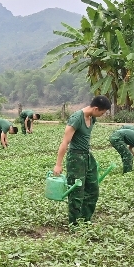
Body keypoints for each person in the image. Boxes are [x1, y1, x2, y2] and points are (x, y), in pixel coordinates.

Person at [52, 95, 112, 225]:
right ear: (96, 108)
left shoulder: (92, 118)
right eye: (103, 112)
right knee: (76, 191)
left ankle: (86, 220)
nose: (103, 114)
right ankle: (74, 223)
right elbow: (65, 142)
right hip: (75, 158)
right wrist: (58, 164)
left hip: (87, 156)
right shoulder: (76, 118)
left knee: (93, 190)